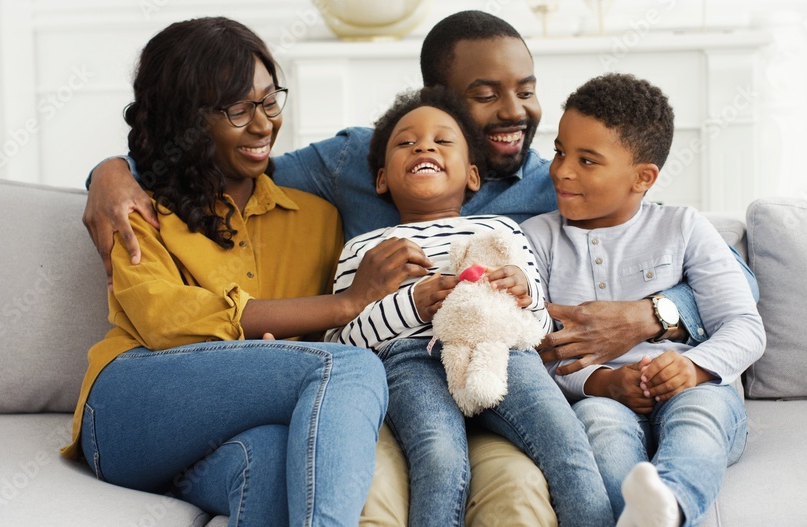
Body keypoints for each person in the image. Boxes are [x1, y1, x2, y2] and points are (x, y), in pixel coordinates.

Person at [80, 10, 757, 525]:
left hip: (488, 378)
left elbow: (714, 268)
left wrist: (655, 313)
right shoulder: (346, 166)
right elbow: (198, 163)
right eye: (486, 93)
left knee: (271, 465)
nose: (515, 111)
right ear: (435, 98)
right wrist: (107, 173)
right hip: (376, 378)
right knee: (361, 382)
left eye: (525, 89)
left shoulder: (562, 183)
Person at [59, 17, 434, 526]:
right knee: (346, 369)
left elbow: (320, 342)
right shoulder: (138, 209)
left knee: (277, 464)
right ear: (185, 119)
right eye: (238, 110)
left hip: (234, 431)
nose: (262, 125)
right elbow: (164, 322)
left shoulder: (318, 219)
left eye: (269, 101)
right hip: (131, 408)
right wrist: (347, 302)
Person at [327, 86, 614, 527]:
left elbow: (538, 327)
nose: (424, 145)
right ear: (382, 178)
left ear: (473, 176)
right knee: (439, 456)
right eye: (406, 142)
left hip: (504, 350)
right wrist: (411, 307)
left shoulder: (501, 230)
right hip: (410, 359)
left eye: (443, 141)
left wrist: (524, 293)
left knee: (566, 441)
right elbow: (342, 339)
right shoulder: (364, 248)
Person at [521, 73, 765, 527]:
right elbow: (539, 354)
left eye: (587, 160)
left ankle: (667, 511)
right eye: (559, 151)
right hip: (601, 397)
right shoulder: (538, 240)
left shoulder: (683, 227)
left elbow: (745, 326)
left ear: (643, 177)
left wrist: (692, 368)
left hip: (695, 388)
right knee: (599, 426)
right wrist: (605, 384)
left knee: (700, 417)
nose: (561, 170)